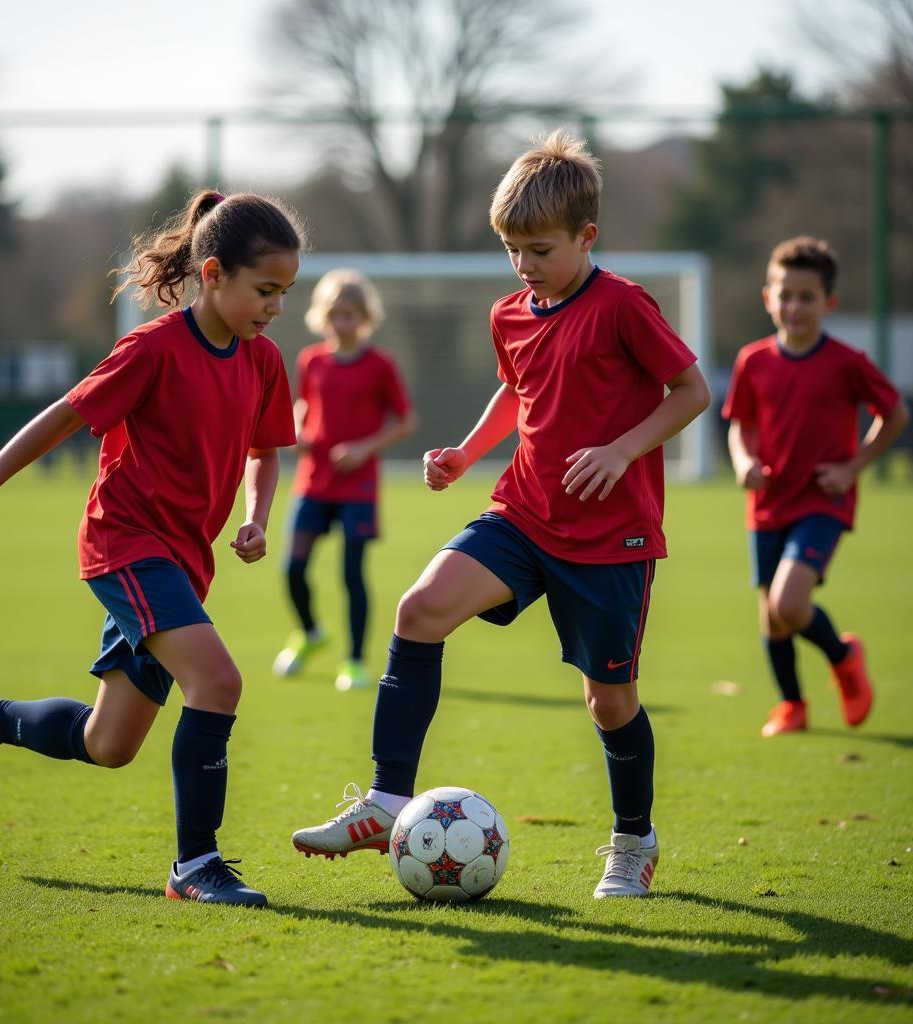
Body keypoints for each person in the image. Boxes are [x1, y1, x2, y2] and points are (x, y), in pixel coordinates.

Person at [290, 131, 710, 898]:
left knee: (608, 701)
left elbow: (691, 391)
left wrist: (620, 451)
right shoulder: (511, 312)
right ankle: (386, 802)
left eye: (540, 250)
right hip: (523, 513)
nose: (524, 266)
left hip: (611, 536)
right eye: (512, 249)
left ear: (587, 236)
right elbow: (518, 395)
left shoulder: (622, 305)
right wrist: (466, 453)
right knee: (418, 611)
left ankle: (633, 841)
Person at [0, 190, 305, 907]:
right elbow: (66, 415)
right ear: (214, 272)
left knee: (110, 743)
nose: (274, 308)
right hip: (126, 544)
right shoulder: (153, 349)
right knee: (218, 683)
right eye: (265, 290)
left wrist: (257, 517)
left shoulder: (263, 362)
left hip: (185, 563)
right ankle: (196, 867)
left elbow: (266, 452)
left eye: (284, 293)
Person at [723, 236, 909, 738]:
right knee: (773, 619)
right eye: (785, 294)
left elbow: (894, 413)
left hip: (823, 501)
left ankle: (845, 658)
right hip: (767, 502)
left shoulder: (847, 362)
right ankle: (793, 707)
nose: (794, 306)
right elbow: (739, 424)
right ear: (768, 298)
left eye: (807, 297)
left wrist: (853, 467)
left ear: (829, 303)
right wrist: (743, 460)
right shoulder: (752, 360)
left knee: (788, 603)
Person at [272, 269, 416, 691]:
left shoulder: (380, 365)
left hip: (358, 487)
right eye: (335, 315)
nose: (342, 323)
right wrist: (297, 429)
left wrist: (363, 449)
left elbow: (406, 421)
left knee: (352, 575)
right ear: (323, 317)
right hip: (314, 480)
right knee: (292, 567)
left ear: (365, 317)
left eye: (350, 315)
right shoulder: (311, 360)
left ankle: (353, 661)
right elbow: (304, 404)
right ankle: (311, 633)